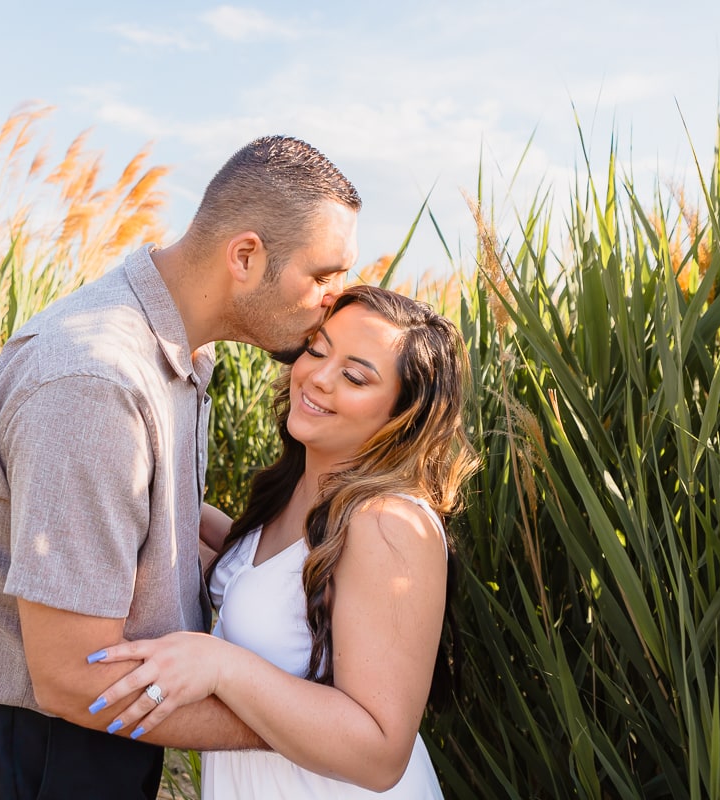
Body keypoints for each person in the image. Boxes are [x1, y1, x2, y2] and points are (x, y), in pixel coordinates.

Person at [0, 135, 362, 799]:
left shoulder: (177, 348)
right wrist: (306, 725)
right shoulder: (95, 385)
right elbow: (73, 677)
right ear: (245, 256)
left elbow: (140, 520)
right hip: (41, 748)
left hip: (92, 728)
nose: (336, 298)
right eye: (323, 275)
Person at [87, 285, 480, 798]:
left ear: (403, 416)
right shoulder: (301, 491)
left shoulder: (388, 523)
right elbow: (272, 581)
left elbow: (381, 754)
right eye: (317, 349)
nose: (316, 377)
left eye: (355, 376)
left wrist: (222, 667)